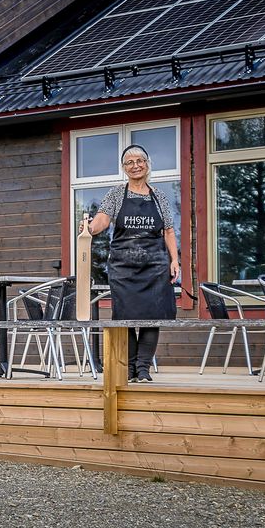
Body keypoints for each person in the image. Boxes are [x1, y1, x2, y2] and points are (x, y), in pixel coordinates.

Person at [84, 144, 179, 382]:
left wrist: (174, 260)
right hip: (123, 266)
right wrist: (89, 227)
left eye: (140, 161)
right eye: (129, 162)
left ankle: (143, 369)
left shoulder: (159, 197)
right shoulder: (117, 193)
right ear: (124, 168)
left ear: (147, 164)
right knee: (125, 315)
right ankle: (129, 369)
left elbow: (168, 231)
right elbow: (102, 220)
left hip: (155, 265)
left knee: (152, 315)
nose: (135, 166)